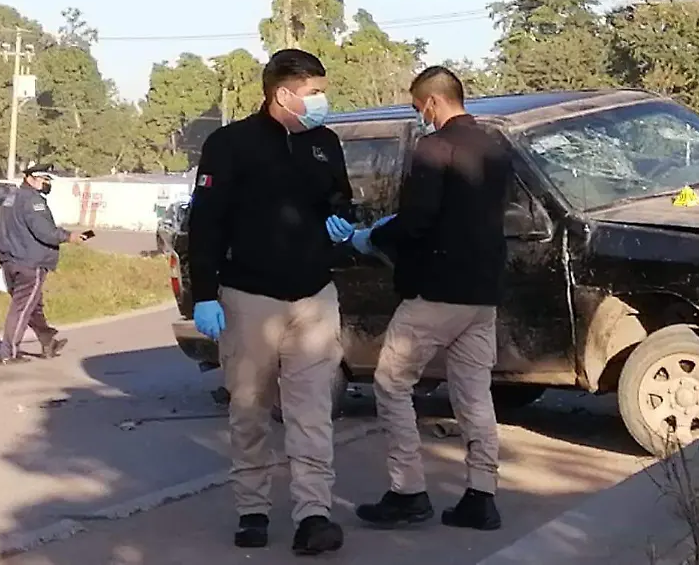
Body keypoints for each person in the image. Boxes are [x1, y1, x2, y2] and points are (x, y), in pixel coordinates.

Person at [188, 48, 354, 556]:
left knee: (311, 413)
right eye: (314, 93)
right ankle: (253, 509)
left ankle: (313, 514)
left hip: (314, 297)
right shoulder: (230, 144)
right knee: (250, 409)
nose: (322, 101)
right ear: (283, 94)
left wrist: (341, 219)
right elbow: (207, 222)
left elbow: (341, 198)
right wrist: (203, 294)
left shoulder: (325, 143)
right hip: (248, 298)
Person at [337, 66, 512, 531]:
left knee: (392, 384)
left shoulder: (434, 149)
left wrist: (369, 236)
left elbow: (417, 220)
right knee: (474, 394)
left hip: (436, 291)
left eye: (419, 109)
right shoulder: (496, 145)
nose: (421, 118)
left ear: (432, 103)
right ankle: (481, 495)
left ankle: (407, 490)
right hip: (482, 292)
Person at [0, 164, 85, 365]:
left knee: (33, 305)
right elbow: (45, 232)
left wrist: (2, 255)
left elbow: (1, 231)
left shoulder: (11, 198)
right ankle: (9, 353)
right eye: (44, 180)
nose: (46, 184)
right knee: (22, 308)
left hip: (10, 260)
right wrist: (70, 236)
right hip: (29, 263)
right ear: (31, 178)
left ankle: (47, 341)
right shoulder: (34, 202)